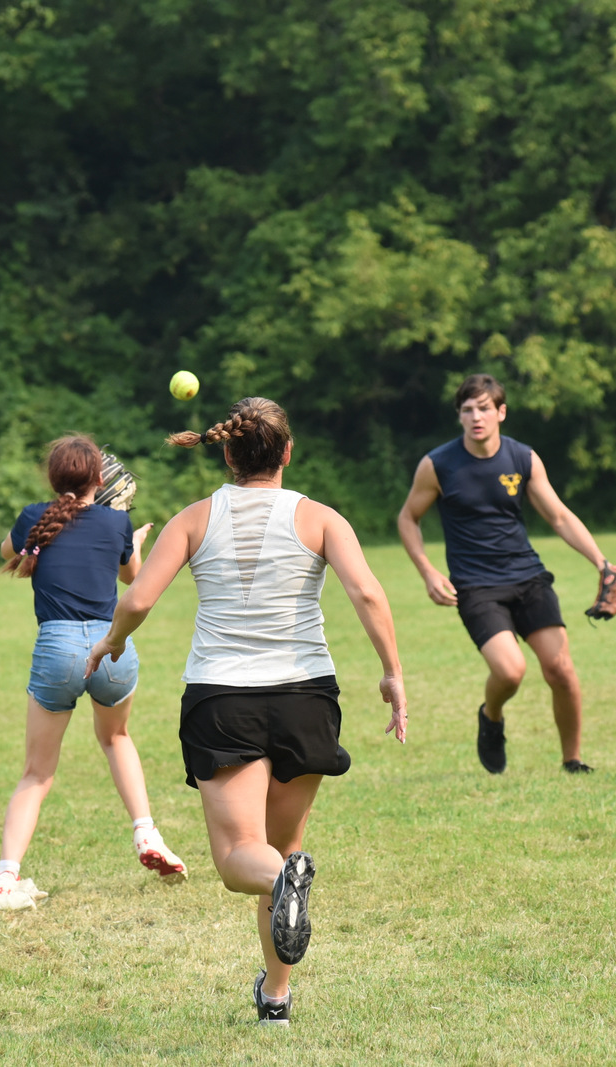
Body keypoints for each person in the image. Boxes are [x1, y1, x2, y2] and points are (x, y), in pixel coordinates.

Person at [85, 398, 408, 1027]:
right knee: (282, 850)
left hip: (223, 698)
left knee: (244, 860)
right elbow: (367, 593)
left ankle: (285, 896)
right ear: (287, 452)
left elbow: (139, 599)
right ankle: (275, 999)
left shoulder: (194, 519)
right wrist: (392, 672)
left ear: (228, 452)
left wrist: (113, 641)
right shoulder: (320, 518)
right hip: (306, 697)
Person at [0, 435, 188, 902]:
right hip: (112, 648)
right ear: (99, 479)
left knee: (37, 774)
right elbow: (132, 578)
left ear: (53, 479)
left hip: (58, 649)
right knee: (116, 738)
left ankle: (6, 877)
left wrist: (38, 541)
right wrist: (133, 541)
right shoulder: (117, 521)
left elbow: (8, 551)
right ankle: (146, 832)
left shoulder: (34, 517)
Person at [396, 374, 616, 774]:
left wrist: (601, 562)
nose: (476, 417)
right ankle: (491, 716)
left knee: (561, 670)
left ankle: (572, 760)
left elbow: (558, 516)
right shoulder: (438, 465)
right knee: (510, 670)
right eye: (467, 410)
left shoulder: (523, 458)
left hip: (528, 577)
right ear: (459, 416)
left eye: (484, 408)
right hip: (476, 586)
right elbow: (407, 518)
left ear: (501, 412)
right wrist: (428, 571)